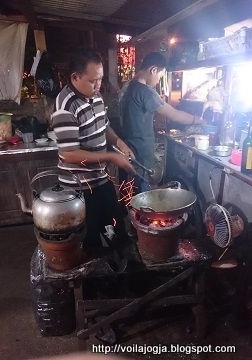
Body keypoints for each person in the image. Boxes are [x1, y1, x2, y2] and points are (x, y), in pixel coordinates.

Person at [51, 48, 135, 263]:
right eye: (93, 81)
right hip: (79, 187)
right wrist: (111, 157)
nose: (98, 86)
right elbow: (69, 154)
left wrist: (119, 142)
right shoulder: (65, 107)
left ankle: (124, 268)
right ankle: (95, 283)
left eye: (100, 79)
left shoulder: (95, 96)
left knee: (116, 223)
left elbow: (104, 125)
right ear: (75, 77)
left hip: (100, 178)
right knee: (90, 238)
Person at [120, 51, 204, 193]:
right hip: (141, 154)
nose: (159, 80)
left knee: (129, 193)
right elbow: (174, 115)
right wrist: (198, 120)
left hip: (128, 149)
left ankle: (127, 214)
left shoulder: (128, 86)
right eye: (160, 75)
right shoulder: (145, 92)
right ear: (153, 70)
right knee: (142, 197)